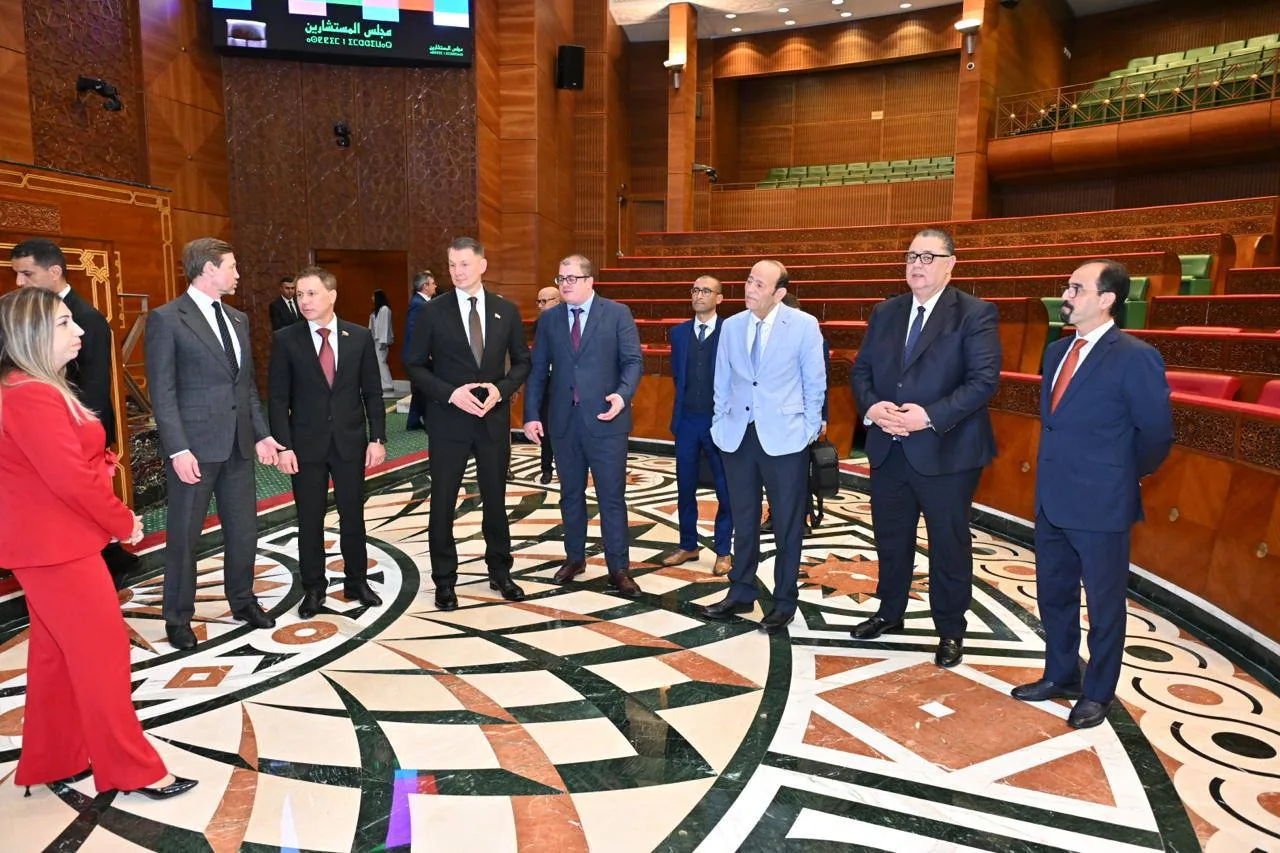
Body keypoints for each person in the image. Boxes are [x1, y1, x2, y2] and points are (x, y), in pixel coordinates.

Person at [0, 287, 196, 799]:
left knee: (56, 657)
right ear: (32, 333)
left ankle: (54, 757)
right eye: (65, 323)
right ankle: (133, 770)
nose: (80, 330)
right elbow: (70, 478)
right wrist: (122, 520)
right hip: (57, 548)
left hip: (48, 545)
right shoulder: (31, 394)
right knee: (103, 657)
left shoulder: (26, 387)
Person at [1012, 260, 1173, 729]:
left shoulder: (1135, 356)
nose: (1066, 295)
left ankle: (1098, 692)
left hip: (1103, 502)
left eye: (1076, 288)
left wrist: (1122, 475)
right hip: (1052, 499)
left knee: (1104, 606)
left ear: (1106, 300)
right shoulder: (1056, 351)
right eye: (1067, 287)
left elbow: (1156, 433)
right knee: (1054, 594)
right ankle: (1061, 674)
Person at [848, 228, 1001, 668]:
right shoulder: (886, 311)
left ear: (951, 264)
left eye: (928, 257)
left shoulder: (974, 313)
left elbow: (983, 382)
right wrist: (872, 407)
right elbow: (861, 372)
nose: (917, 264)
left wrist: (928, 416)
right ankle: (889, 611)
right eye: (912, 256)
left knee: (948, 544)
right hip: (889, 448)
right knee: (890, 536)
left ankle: (950, 628)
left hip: (946, 451)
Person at [144, 238, 284, 651]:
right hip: (194, 450)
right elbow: (163, 393)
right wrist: (177, 449)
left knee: (243, 531)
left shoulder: (238, 319)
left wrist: (262, 434)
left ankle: (243, 601)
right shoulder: (167, 319)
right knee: (184, 537)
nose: (237, 274)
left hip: (238, 445)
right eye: (232, 266)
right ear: (208, 269)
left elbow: (246, 387)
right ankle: (177, 617)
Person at [696, 261, 826, 635]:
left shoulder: (803, 325)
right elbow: (722, 379)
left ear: (779, 293)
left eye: (759, 284)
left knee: (787, 522)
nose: (750, 288)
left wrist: (807, 431)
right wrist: (720, 422)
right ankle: (741, 591)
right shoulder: (732, 325)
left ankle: (784, 601)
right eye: (749, 280)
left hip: (785, 437)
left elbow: (814, 382)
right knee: (743, 517)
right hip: (738, 436)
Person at [406, 238, 531, 611]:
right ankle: (444, 581)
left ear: (482, 265)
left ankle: (500, 572)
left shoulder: (506, 311)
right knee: (443, 502)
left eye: (463, 264)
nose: (457, 271)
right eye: (451, 265)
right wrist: (449, 394)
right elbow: (414, 364)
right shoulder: (433, 311)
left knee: (495, 500)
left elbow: (522, 362)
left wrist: (501, 389)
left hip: (492, 422)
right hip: (448, 423)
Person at [10, 238, 139, 585]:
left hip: (79, 433)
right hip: (53, 438)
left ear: (54, 272)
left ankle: (111, 558)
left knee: (86, 509)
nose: (19, 282)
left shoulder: (87, 319)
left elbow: (94, 388)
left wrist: (84, 440)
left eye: (27, 274)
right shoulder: (28, 323)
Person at [268, 266, 387, 619]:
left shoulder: (359, 337)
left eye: (312, 293)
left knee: (353, 516)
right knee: (309, 520)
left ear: (331, 295)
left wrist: (377, 438)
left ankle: (357, 582)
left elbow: (373, 393)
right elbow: (277, 398)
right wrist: (283, 446)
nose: (304, 300)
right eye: (300, 294)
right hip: (305, 447)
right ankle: (314, 588)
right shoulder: (286, 339)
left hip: (350, 443)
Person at [523, 254, 643, 598]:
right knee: (570, 495)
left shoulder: (617, 313)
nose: (565, 284)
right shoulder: (550, 319)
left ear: (590, 281)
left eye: (571, 278)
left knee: (611, 497)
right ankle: (574, 558)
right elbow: (538, 370)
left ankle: (619, 568)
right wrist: (531, 414)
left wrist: (622, 395)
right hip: (564, 423)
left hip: (607, 421)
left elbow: (633, 361)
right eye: (561, 278)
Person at [665, 275, 733, 576]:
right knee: (685, 486)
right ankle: (688, 544)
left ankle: (723, 550)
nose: (699, 295)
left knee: (725, 489)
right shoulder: (679, 333)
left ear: (719, 298)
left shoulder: (730, 331)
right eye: (695, 290)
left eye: (706, 290)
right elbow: (677, 376)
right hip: (687, 421)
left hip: (719, 421)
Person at [534, 285, 561, 484]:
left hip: (566, 384)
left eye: (544, 301)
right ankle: (546, 468)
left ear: (557, 301)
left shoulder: (570, 321)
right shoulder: (539, 323)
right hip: (546, 384)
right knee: (546, 427)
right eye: (539, 302)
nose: (540, 306)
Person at [404, 271, 437, 431]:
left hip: (418, 355)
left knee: (419, 390)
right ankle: (429, 422)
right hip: (419, 356)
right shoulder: (419, 304)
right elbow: (415, 331)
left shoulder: (421, 302)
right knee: (425, 389)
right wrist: (425, 351)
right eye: (433, 283)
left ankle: (413, 421)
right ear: (425, 286)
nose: (435, 286)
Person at [370, 289, 395, 393]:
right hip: (376, 340)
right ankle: (383, 383)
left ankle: (388, 384)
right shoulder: (376, 311)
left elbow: (385, 326)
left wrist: (383, 342)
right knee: (378, 362)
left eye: (373, 296)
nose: (372, 298)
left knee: (381, 361)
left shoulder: (384, 309)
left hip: (381, 340)